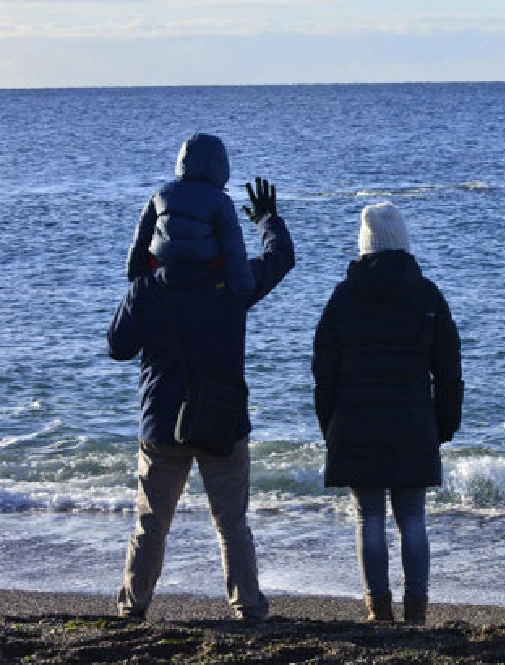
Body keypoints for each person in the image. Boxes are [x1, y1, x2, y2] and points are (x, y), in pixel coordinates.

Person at [108, 175, 295, 621]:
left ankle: (133, 609)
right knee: (232, 525)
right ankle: (248, 608)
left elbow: (118, 347)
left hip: (159, 424)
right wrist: (268, 220)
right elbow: (281, 258)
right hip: (222, 421)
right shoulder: (233, 285)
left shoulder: (148, 288)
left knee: (151, 525)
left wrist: (138, 267)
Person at [312, 202, 463, 624]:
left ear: (365, 244)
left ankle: (378, 610)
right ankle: (416, 610)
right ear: (403, 241)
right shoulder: (427, 295)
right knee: (412, 518)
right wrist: (444, 425)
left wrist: (331, 426)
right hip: (414, 422)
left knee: (369, 517)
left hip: (356, 423)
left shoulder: (343, 297)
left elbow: (324, 371)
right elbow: (449, 370)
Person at [125, 133, 254, 297]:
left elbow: (140, 242)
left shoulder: (160, 195)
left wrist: (135, 277)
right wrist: (243, 288)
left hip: (164, 275)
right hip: (205, 276)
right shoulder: (220, 201)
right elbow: (233, 248)